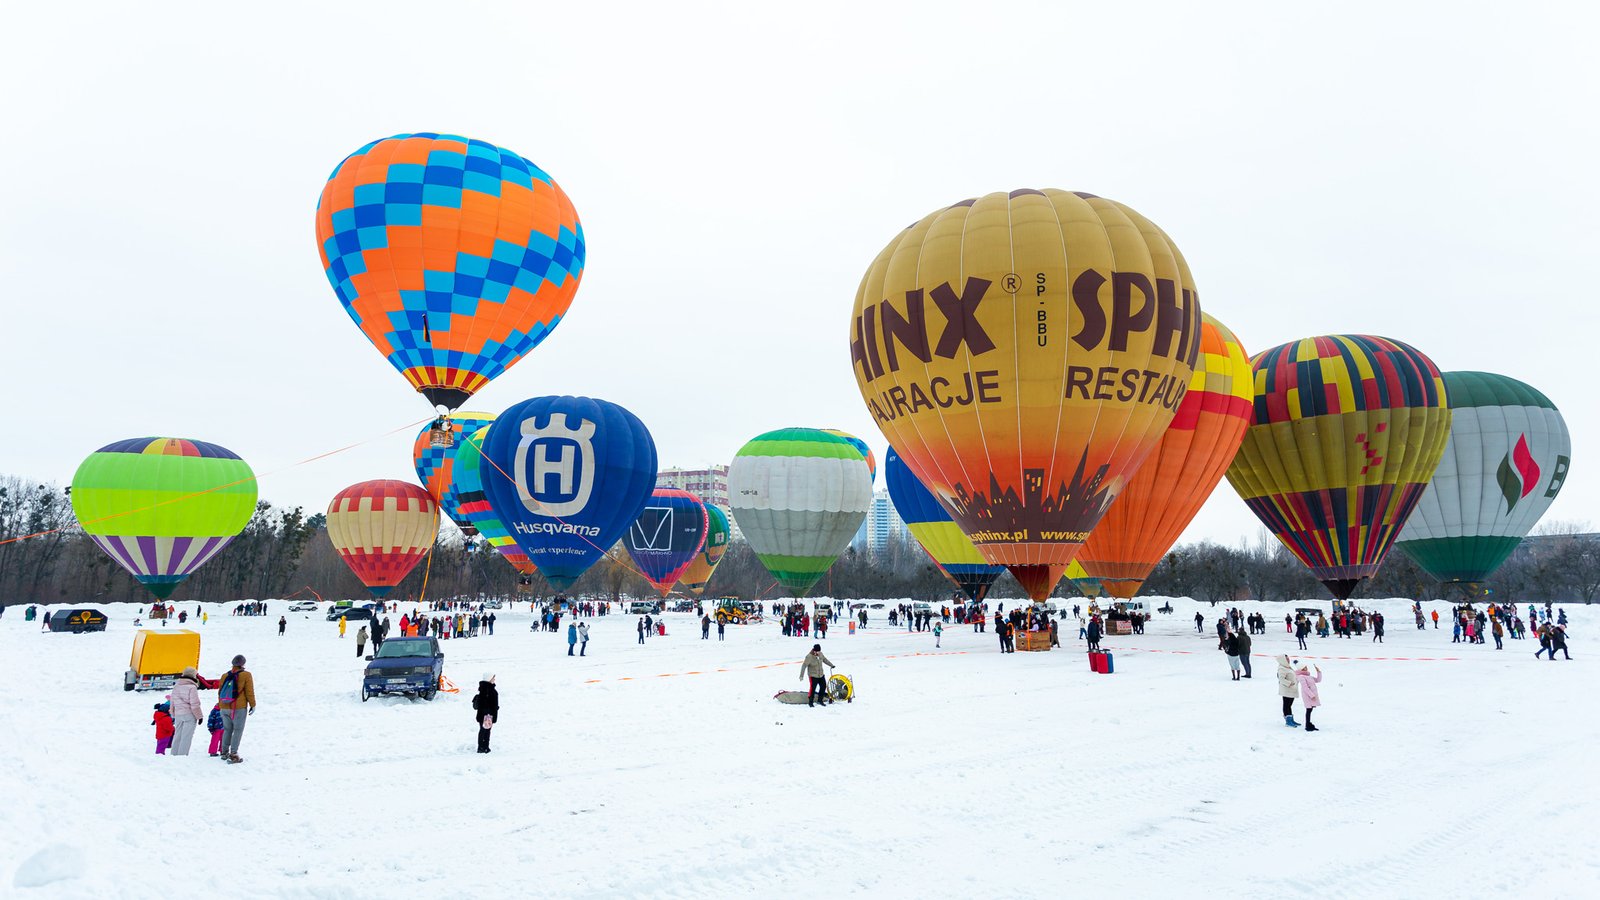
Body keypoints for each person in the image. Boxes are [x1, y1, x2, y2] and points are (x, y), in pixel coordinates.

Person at [216, 654, 256, 764]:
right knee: (238, 730)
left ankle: (224, 752)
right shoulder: (246, 675)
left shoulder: (225, 675)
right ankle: (233, 754)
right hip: (238, 707)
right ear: (243, 664)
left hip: (224, 706)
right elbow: (249, 691)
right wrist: (253, 704)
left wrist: (220, 705)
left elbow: (220, 691)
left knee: (227, 729)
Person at [168, 667, 205, 756]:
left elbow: (172, 701)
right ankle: (182, 756)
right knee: (186, 737)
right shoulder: (192, 687)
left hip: (178, 714)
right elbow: (195, 704)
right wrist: (199, 717)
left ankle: (174, 755)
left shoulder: (176, 686)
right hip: (189, 715)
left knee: (177, 736)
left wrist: (172, 713)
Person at [472, 674, 499, 753]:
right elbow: (491, 703)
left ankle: (482, 747)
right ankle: (484, 747)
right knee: (486, 731)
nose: (494, 679)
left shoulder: (483, 688)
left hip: (483, 714)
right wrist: (493, 711)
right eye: (493, 678)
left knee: (483, 730)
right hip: (488, 715)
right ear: (489, 679)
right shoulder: (489, 689)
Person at [1296, 662, 1323, 732]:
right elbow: (1305, 688)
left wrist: (1318, 672)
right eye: (1305, 667)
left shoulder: (1308, 676)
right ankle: (1307, 725)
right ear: (1301, 668)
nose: (1306, 668)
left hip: (1311, 695)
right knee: (1308, 710)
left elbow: (1318, 680)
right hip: (1307, 696)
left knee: (1310, 710)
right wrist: (1311, 695)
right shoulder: (1301, 677)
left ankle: (1308, 724)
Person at [1276, 655, 1301, 727]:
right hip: (1287, 690)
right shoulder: (1281, 668)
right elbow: (1281, 679)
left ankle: (1291, 719)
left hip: (1291, 689)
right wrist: (1289, 684)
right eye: (1287, 659)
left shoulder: (1287, 666)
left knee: (1289, 705)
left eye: (1288, 659)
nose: (1288, 660)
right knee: (1287, 705)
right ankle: (1288, 721)